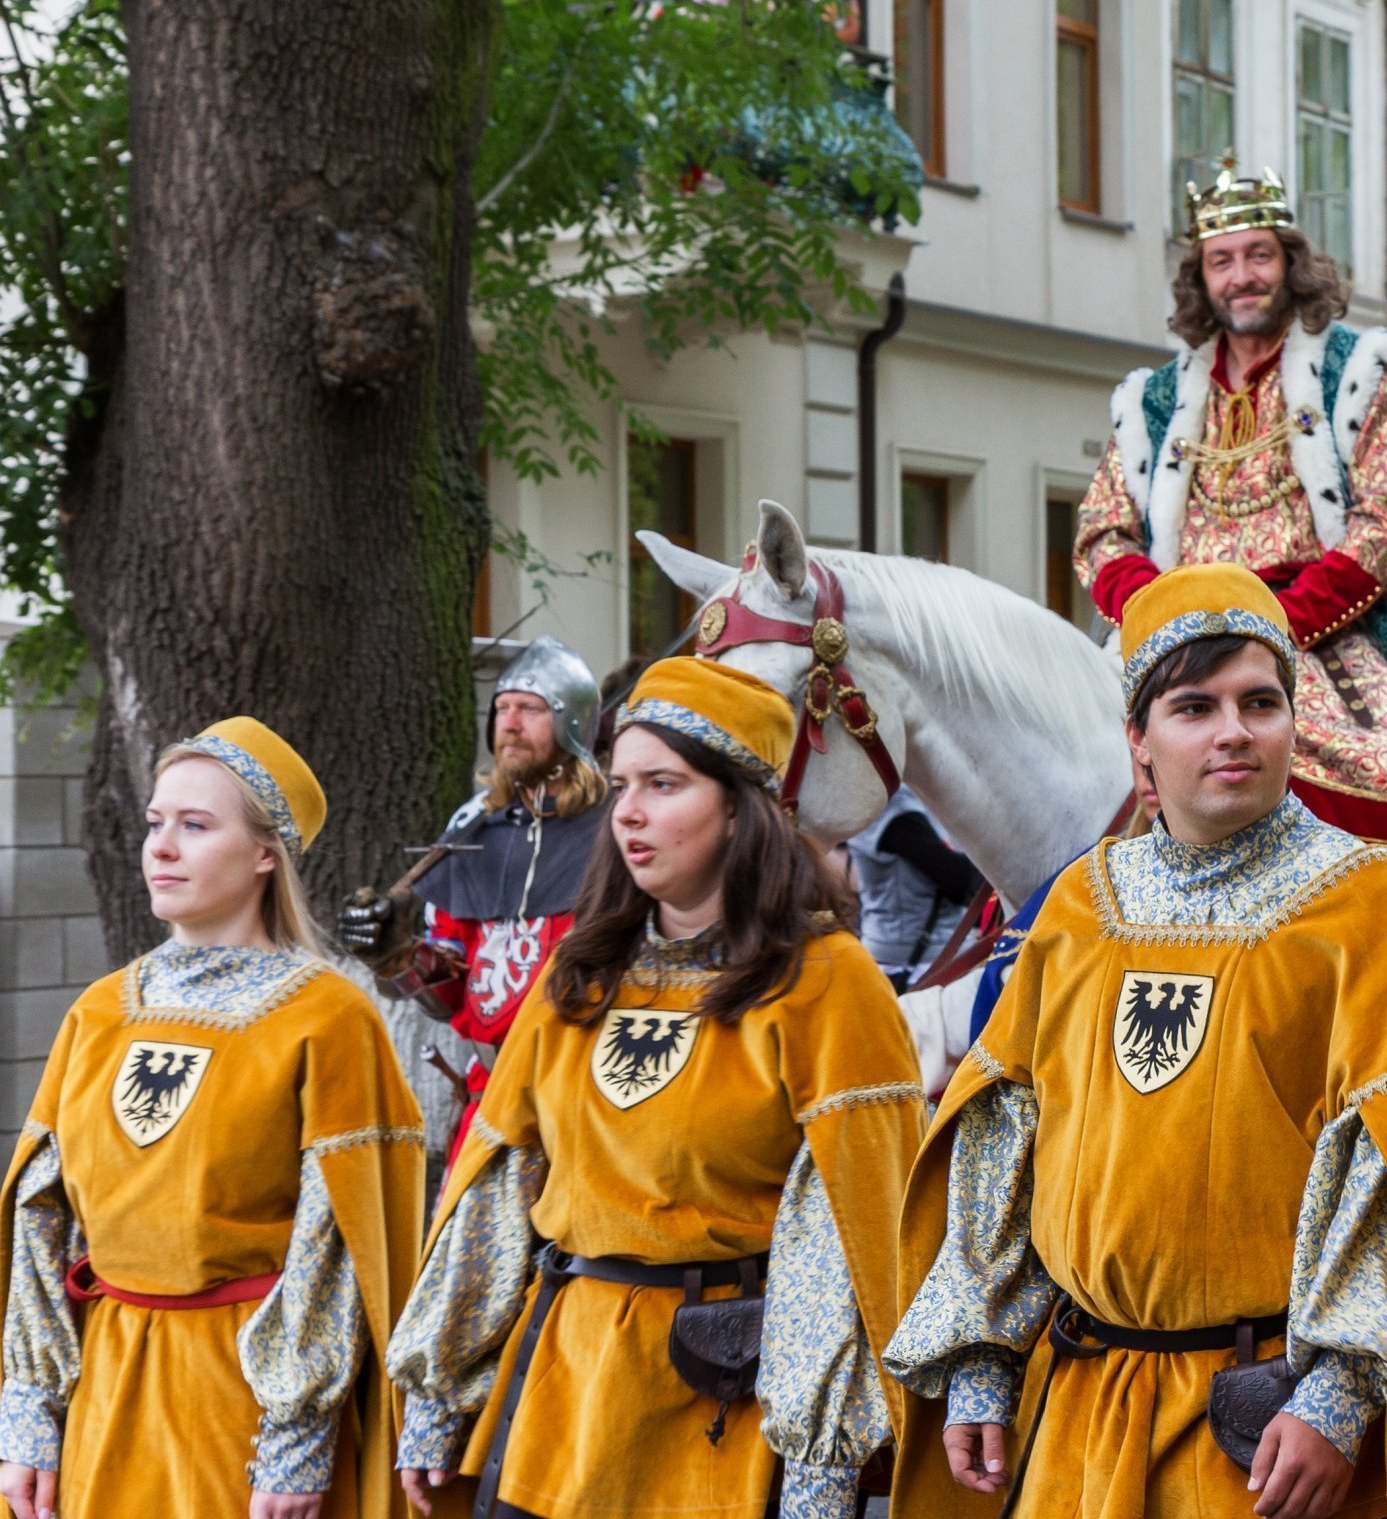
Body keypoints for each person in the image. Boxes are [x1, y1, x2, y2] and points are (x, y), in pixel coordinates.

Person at [883, 562, 1387, 1519]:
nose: (1234, 730)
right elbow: (1007, 1142)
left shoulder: (1369, 906)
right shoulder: (1079, 902)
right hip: (1082, 1412)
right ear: (1139, 745)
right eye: (1195, 706)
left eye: (1261, 702)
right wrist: (985, 1357)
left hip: (1269, 1435)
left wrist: (1339, 1393)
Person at [388, 658, 924, 1519]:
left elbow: (846, 1237)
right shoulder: (582, 972)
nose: (628, 811)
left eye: (664, 785)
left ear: (741, 810)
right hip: (562, 1390)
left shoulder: (828, 982)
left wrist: (819, 1474)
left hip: (724, 1403)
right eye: (624, 783)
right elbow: (493, 1188)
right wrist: (438, 1398)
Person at [1073, 157, 1387, 977]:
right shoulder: (1154, 399)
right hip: (1170, 633)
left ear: (1291, 263)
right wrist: (1157, 611)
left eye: (1258, 255)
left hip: (1319, 629)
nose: (1242, 277)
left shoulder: (1360, 368)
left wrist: (1277, 623)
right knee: (1064, 768)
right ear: (1201, 278)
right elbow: (1102, 531)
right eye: (1222, 260)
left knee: (1384, 772)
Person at [0, 719, 426, 1519]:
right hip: (105, 1387)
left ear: (266, 852)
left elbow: (336, 1242)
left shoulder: (328, 1016)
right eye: (156, 823)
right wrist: (28, 1414)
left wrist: (296, 1438)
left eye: (195, 827)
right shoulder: (101, 1012)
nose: (161, 846)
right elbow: (39, 1218)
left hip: (243, 1403)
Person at [341, 636, 609, 1162]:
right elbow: (452, 995)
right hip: (488, 1100)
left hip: (583, 1102)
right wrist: (399, 957)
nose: (508, 724)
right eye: (502, 708)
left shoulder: (615, 831)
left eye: (530, 709)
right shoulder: (471, 827)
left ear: (573, 721)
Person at [848, 783, 978, 990]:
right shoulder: (885, 807)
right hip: (906, 965)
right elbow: (959, 882)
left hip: (950, 953)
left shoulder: (933, 797)